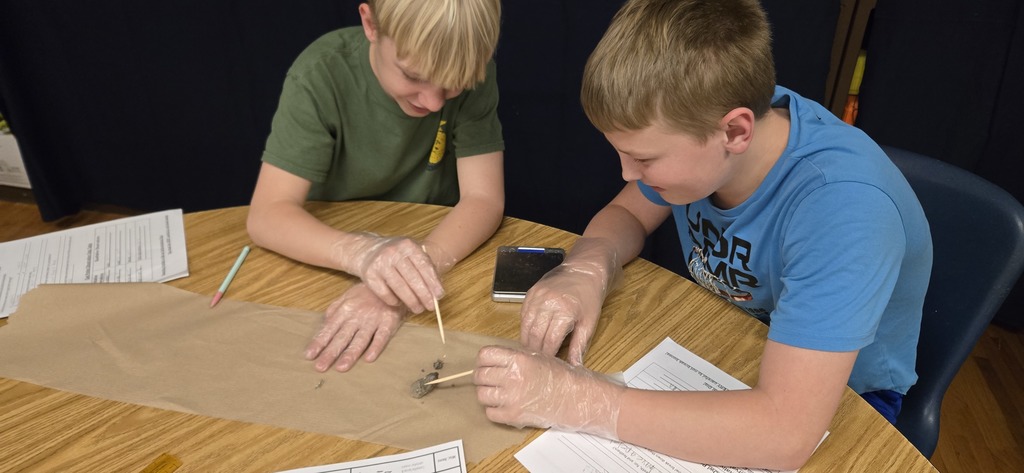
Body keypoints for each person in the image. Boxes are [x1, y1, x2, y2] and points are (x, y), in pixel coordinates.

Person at [472, 0, 932, 470]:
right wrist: (587, 265)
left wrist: (583, 402)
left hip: (845, 400)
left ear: (735, 131)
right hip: (737, 347)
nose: (627, 172)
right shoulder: (710, 119)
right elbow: (626, 215)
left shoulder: (845, 210)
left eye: (645, 160)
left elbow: (785, 433)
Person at [247, 0, 504, 373]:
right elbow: (267, 215)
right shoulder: (322, 73)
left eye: (453, 86)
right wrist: (362, 254)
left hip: (441, 238)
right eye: (412, 76)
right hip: (324, 252)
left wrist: (411, 271)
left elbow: (483, 200)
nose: (432, 102)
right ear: (371, 24)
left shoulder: (471, 67)